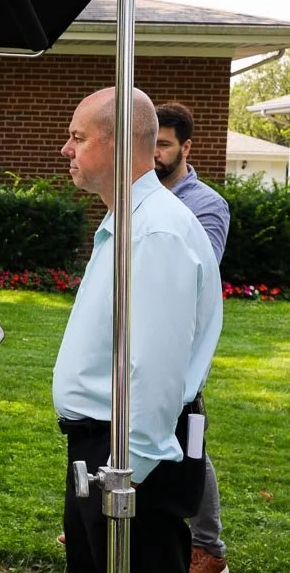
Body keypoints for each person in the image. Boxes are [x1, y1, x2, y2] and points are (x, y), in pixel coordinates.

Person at [54, 87, 222, 573]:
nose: (67, 149)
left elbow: (158, 367)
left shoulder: (155, 232)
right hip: (108, 452)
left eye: (77, 137)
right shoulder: (129, 222)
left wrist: (125, 479)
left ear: (119, 143)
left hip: (130, 462)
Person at [155, 102, 231, 573]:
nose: (155, 154)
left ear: (186, 147)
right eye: (151, 144)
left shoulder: (206, 204)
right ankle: (115, 518)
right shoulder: (137, 195)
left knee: (190, 440)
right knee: (127, 430)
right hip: (136, 336)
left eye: (164, 145)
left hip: (180, 346)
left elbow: (199, 274)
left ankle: (208, 548)